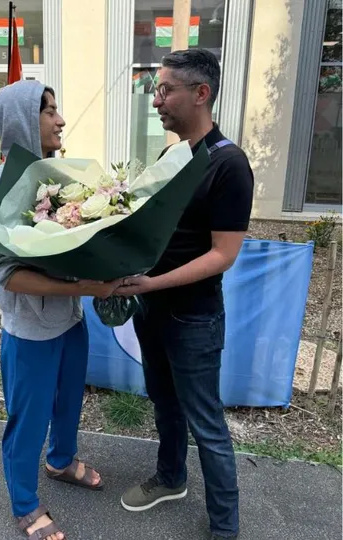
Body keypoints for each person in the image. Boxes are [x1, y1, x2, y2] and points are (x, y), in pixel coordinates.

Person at [0, 80, 122, 540]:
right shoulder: (0, 189)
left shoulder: (56, 177)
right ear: (21, 120)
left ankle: (60, 461)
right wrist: (85, 284)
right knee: (29, 418)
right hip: (30, 332)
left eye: (58, 110)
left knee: (69, 401)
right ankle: (25, 504)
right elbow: (7, 275)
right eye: (49, 111)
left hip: (70, 321)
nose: (60, 120)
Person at [117, 48, 252, 540]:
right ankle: (171, 477)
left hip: (192, 318)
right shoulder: (171, 155)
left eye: (166, 89)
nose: (156, 101)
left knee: (207, 424)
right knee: (163, 402)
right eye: (155, 90)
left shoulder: (228, 164)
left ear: (201, 93)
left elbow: (222, 255)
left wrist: (152, 282)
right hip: (150, 309)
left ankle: (224, 527)